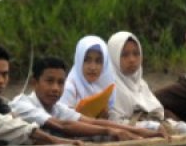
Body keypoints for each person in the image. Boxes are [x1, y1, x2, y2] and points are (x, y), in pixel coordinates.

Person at [11, 57, 165, 141]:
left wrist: (141, 131)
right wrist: (111, 131)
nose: (56, 89)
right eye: (49, 81)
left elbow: (91, 122)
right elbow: (63, 125)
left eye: (60, 83)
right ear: (34, 83)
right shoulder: (22, 104)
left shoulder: (57, 108)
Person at [106, 31, 186, 134]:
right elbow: (116, 125)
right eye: (124, 55)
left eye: (136, 54)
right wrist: (152, 127)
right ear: (113, 57)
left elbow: (160, 120)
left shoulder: (141, 85)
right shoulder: (110, 88)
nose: (132, 59)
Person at [60, 35, 116, 117]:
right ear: (79, 60)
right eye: (87, 60)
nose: (93, 67)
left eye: (98, 61)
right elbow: (63, 122)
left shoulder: (107, 86)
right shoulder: (70, 87)